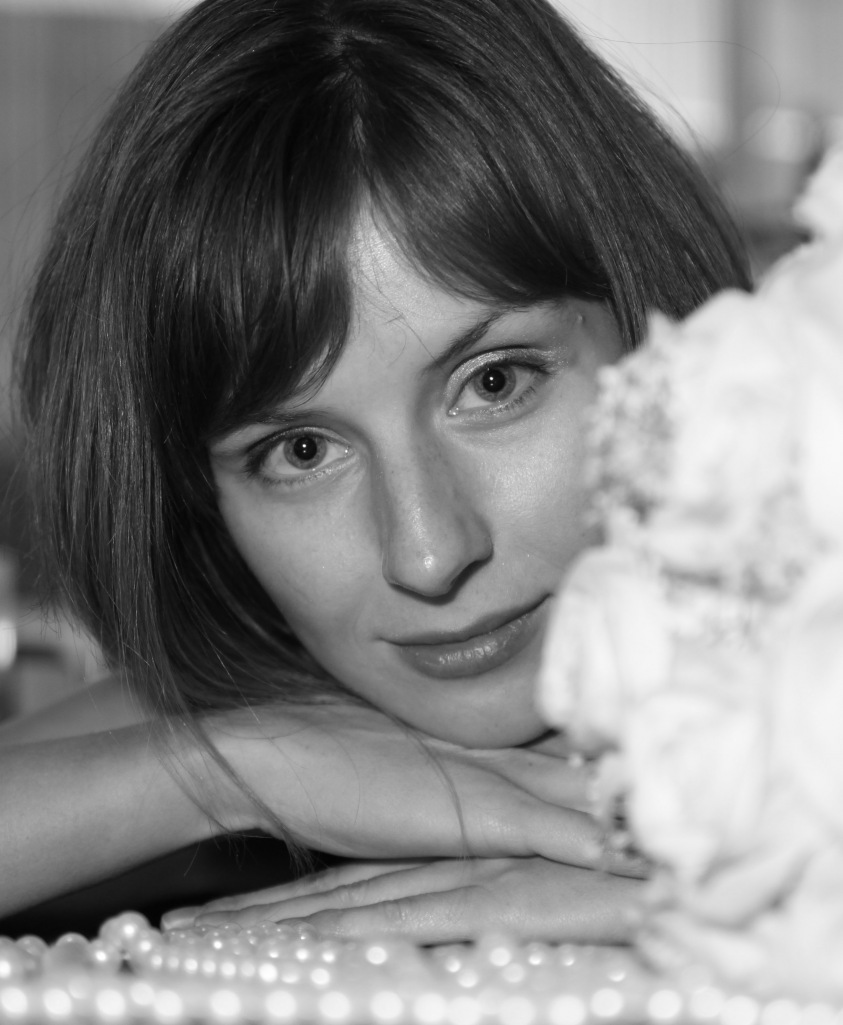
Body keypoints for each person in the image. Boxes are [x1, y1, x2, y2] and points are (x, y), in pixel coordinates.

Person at [2, 0, 750, 942]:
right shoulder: (273, 710)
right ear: (200, 500)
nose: (428, 555)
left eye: (494, 382)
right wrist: (219, 771)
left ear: (658, 331)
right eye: (301, 451)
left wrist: (765, 904)